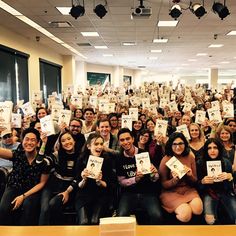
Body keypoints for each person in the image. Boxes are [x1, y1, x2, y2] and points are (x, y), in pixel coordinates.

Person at [0, 128, 50, 225]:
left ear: (38, 143)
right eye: (26, 139)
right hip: (14, 186)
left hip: (31, 191)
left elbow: (42, 183)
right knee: (3, 209)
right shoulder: (17, 154)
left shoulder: (44, 160)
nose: (29, 142)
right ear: (22, 141)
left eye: (33, 140)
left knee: (28, 207)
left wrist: (23, 196)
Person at [116, 128, 163, 225]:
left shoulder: (144, 154)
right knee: (121, 215)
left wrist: (154, 173)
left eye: (128, 138)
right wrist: (135, 179)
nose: (125, 142)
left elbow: (155, 178)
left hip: (147, 192)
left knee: (157, 215)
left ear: (133, 139)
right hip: (129, 193)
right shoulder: (119, 158)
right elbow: (121, 182)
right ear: (119, 142)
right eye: (122, 140)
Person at [71, 133, 116, 225]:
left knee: (94, 221)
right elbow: (79, 185)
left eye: (101, 144)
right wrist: (84, 179)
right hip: (84, 195)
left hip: (101, 195)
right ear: (88, 146)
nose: (99, 146)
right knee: (84, 222)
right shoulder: (81, 159)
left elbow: (110, 184)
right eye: (96, 144)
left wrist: (100, 182)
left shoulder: (107, 160)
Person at [159, 132, 203, 223]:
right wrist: (174, 180)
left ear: (185, 144)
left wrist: (190, 176)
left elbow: (195, 181)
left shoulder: (190, 157)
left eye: (180, 143)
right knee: (185, 214)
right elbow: (163, 184)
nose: (178, 147)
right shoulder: (166, 159)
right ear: (170, 145)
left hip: (188, 190)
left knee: (198, 209)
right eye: (174, 144)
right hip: (171, 192)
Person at [38, 131, 79, 225]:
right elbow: (40, 163)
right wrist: (44, 144)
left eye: (69, 139)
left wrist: (67, 192)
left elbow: (78, 178)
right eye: (63, 141)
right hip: (52, 185)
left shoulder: (80, 156)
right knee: (44, 209)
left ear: (74, 141)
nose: (67, 142)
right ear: (60, 144)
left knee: (53, 204)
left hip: (69, 188)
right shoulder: (57, 154)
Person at [197, 138, 236, 224]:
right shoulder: (200, 163)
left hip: (225, 192)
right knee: (210, 220)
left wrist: (230, 177)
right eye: (209, 148)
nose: (212, 151)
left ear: (219, 149)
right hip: (209, 193)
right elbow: (196, 185)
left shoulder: (226, 162)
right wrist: (202, 182)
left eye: (215, 147)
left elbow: (230, 187)